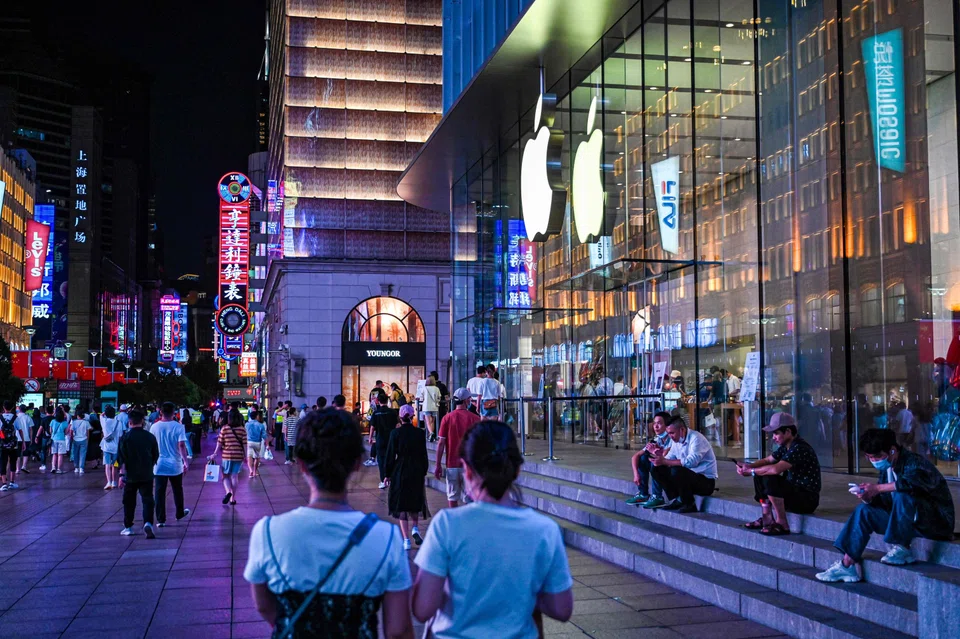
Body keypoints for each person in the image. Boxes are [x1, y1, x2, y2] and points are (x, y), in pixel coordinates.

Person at [243, 408, 414, 638]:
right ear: (356, 464)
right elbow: (397, 630)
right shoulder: (386, 537)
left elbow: (263, 605)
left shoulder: (267, 532)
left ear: (302, 464)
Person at [412, 421, 574, 637]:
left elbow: (422, 608)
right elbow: (561, 609)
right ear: (517, 470)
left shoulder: (447, 525)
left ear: (467, 471)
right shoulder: (545, 530)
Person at [816, 428, 956, 582]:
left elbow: (909, 485)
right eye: (870, 458)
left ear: (893, 450)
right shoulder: (887, 469)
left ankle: (902, 547)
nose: (874, 461)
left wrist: (877, 488)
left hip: (935, 522)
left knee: (904, 493)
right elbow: (885, 503)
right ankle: (847, 565)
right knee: (865, 510)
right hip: (908, 522)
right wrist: (868, 497)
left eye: (877, 457)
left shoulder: (915, 463)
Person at [736, 413, 821, 535]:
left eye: (776, 433)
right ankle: (767, 519)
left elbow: (776, 469)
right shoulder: (786, 446)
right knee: (761, 473)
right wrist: (748, 466)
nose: (774, 437)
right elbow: (767, 460)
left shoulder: (799, 448)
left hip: (807, 499)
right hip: (794, 493)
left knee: (770, 477)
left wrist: (751, 471)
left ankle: (782, 523)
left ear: (787, 431)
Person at [648, 415, 718, 513]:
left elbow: (691, 462)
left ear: (682, 430)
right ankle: (676, 498)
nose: (671, 436)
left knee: (677, 469)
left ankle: (689, 503)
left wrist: (665, 461)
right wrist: (658, 458)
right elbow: (668, 459)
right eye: (669, 433)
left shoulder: (696, 438)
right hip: (688, 478)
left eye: (672, 433)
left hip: (705, 481)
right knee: (657, 469)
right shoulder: (675, 442)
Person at [383, 405, 430, 550]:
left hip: (400, 469)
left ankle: (406, 540)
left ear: (400, 417)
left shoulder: (395, 433)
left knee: (402, 504)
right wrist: (423, 470)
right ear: (412, 416)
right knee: (415, 499)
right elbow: (424, 454)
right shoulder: (419, 433)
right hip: (415, 469)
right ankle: (415, 528)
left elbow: (390, 454)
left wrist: (387, 474)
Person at [434, 387, 481, 508]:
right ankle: (467, 524)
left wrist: (438, 464)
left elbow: (441, 443)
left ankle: (454, 523)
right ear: (466, 401)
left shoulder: (447, 418)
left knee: (452, 497)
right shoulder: (475, 419)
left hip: (452, 464)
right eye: (469, 399)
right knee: (469, 499)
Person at [117, 410, 159, 538]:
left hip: (130, 475)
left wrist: (121, 476)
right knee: (147, 500)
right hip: (146, 473)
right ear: (142, 422)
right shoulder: (150, 437)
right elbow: (155, 455)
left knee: (129, 501)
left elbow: (121, 459)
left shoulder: (125, 438)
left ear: (129, 422)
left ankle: (128, 526)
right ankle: (148, 523)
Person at [152, 402, 191, 527]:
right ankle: (179, 513)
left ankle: (160, 519)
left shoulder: (154, 427)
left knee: (159, 492)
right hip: (175, 464)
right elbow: (181, 445)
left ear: (161, 412)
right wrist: (185, 461)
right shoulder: (178, 427)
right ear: (174, 412)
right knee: (177, 489)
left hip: (159, 464)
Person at [626, 411, 672, 507]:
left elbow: (665, 457)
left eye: (659, 423)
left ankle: (657, 496)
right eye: (654, 423)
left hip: (673, 468)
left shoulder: (673, 438)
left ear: (667, 425)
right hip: (663, 467)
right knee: (643, 458)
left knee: (654, 460)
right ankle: (643, 494)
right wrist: (636, 475)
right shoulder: (657, 439)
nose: (655, 426)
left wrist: (654, 451)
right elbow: (636, 456)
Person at [209, 408, 247, 505]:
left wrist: (215, 453)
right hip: (238, 455)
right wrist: (246, 456)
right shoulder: (242, 429)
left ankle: (228, 492)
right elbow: (245, 444)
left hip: (226, 455)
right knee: (235, 477)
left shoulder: (224, 428)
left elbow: (219, 442)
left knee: (225, 476)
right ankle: (233, 499)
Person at [370, 391, 399, 490]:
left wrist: (370, 437)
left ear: (378, 401)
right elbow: (397, 425)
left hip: (380, 439)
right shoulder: (392, 412)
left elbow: (372, 427)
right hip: (391, 439)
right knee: (391, 458)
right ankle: (391, 478)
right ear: (387, 401)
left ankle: (383, 480)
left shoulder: (376, 413)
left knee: (381, 460)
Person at [100, 405, 123, 490]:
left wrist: (105, 412)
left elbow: (101, 415)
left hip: (106, 447)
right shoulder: (119, 423)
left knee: (107, 465)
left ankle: (108, 482)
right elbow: (120, 436)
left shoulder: (104, 421)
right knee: (114, 465)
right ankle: (114, 482)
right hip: (115, 447)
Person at [0, 401, 20, 490]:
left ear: (3, 407)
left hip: (2, 444)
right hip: (13, 444)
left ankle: (4, 484)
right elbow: (20, 430)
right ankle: (12, 482)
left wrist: (3, 438)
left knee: (2, 462)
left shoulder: (0, 417)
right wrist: (22, 441)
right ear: (12, 408)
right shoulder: (16, 417)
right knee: (13, 462)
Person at [246, 409, 268, 478]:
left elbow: (244, 433)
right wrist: (267, 445)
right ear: (256, 416)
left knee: (249, 456)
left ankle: (250, 471)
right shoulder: (261, 425)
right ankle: (255, 471)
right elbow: (264, 436)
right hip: (257, 443)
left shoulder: (247, 424)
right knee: (257, 457)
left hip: (249, 442)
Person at [69, 408, 91, 474]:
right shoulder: (86, 422)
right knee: (82, 454)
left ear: (78, 415)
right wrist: (87, 439)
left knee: (75, 454)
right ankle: (81, 468)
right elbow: (88, 432)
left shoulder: (74, 422)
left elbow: (71, 431)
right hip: (84, 439)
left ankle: (76, 468)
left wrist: (72, 438)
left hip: (75, 439)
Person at [49, 406, 70, 474]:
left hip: (54, 439)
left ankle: (53, 468)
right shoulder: (65, 423)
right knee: (60, 455)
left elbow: (50, 431)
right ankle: (59, 469)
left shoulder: (52, 421)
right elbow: (66, 433)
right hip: (62, 439)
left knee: (54, 454)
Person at [14, 404, 33, 476]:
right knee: (26, 453)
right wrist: (31, 438)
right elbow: (31, 429)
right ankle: (24, 466)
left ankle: (17, 469)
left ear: (19, 409)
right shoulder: (28, 417)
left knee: (17, 454)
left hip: (17, 438)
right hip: (26, 438)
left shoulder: (16, 417)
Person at [421, 377, 441, 443]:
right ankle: (430, 436)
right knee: (432, 421)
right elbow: (439, 397)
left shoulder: (424, 388)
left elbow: (421, 398)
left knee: (428, 422)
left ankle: (431, 433)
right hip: (434, 407)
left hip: (426, 407)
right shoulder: (437, 388)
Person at [36, 405, 54, 472]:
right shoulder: (54, 419)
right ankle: (53, 465)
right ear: (52, 411)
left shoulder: (44, 419)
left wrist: (37, 436)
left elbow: (40, 428)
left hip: (45, 436)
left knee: (43, 450)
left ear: (46, 411)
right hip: (53, 437)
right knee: (53, 451)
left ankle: (43, 464)